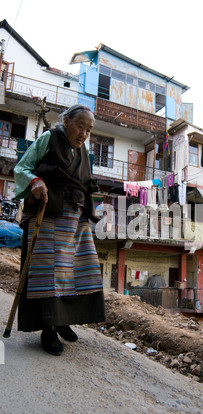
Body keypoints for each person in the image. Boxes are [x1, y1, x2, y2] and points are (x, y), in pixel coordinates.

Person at [14, 104, 106, 355]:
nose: (84, 133)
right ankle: (48, 329)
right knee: (50, 273)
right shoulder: (49, 138)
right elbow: (22, 168)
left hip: (75, 217)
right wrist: (35, 181)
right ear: (66, 122)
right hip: (49, 213)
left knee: (75, 270)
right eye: (80, 126)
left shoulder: (84, 151)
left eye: (88, 130)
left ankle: (63, 320)